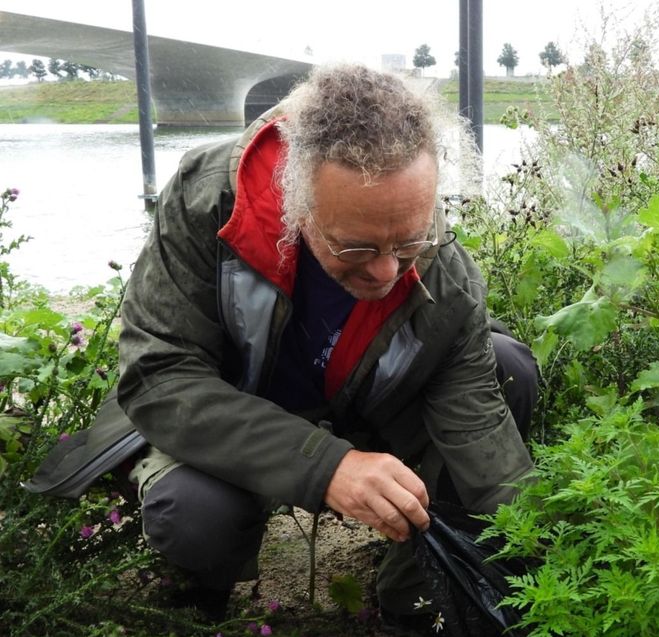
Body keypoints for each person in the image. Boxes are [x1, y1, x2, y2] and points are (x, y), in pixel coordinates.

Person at [26, 63, 536, 625]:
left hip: (357, 404)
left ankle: (412, 597)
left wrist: (540, 553)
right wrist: (328, 466)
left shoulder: (444, 266)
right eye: (355, 247)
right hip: (225, 408)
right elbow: (160, 377)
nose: (388, 271)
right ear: (296, 201)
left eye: (410, 239)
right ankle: (202, 598)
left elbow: (477, 424)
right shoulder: (210, 200)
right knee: (195, 514)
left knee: (509, 367)